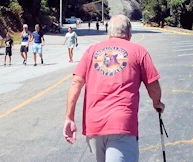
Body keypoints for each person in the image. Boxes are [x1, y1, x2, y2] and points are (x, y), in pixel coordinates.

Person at [63, 15, 164, 162]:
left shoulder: (92, 51)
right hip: (122, 125)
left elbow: (76, 83)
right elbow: (153, 85)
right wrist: (157, 103)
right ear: (129, 33)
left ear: (109, 33)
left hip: (94, 125)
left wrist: (69, 118)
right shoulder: (139, 51)